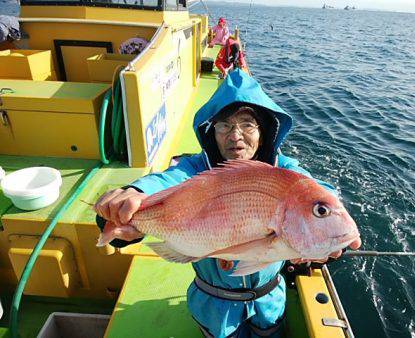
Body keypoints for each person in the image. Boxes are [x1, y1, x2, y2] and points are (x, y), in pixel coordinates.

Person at [94, 69, 361, 338]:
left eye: (247, 124)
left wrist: (331, 228)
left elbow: (315, 189)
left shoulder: (285, 173)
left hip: (269, 301)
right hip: (213, 305)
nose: (235, 135)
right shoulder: (194, 170)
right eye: (224, 125)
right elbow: (165, 181)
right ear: (212, 131)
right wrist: (132, 196)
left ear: (264, 130)